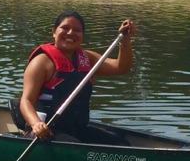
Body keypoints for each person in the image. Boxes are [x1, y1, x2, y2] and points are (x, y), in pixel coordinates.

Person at [19, 11, 135, 142]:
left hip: (78, 129)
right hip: (47, 131)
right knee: (75, 147)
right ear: (54, 31)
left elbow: (121, 67)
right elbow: (26, 100)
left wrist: (125, 41)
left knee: (120, 143)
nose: (70, 33)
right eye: (65, 28)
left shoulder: (87, 58)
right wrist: (35, 124)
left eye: (77, 30)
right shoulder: (41, 62)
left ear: (82, 35)